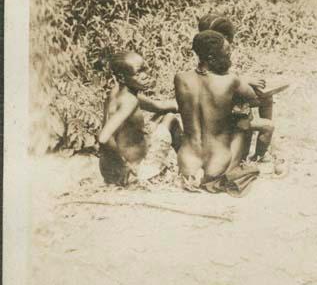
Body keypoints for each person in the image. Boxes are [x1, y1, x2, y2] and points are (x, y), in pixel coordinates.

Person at [174, 30, 269, 194]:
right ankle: (257, 157)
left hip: (187, 165)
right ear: (211, 58)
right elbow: (255, 99)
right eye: (227, 54)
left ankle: (196, 179)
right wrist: (242, 81)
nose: (230, 59)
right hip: (217, 164)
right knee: (242, 122)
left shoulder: (180, 78)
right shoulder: (230, 80)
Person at [197, 11, 274, 162]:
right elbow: (220, 82)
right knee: (266, 117)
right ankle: (261, 155)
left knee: (265, 98)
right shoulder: (212, 58)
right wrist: (244, 84)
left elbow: (224, 78)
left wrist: (244, 82)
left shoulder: (207, 55)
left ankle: (259, 149)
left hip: (222, 103)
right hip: (222, 113)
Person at [98, 51, 181, 186]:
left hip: (109, 171)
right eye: (138, 72)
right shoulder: (129, 101)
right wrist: (124, 167)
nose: (146, 76)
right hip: (137, 171)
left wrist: (188, 102)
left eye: (145, 69)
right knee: (170, 118)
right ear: (122, 77)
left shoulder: (118, 93)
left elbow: (159, 106)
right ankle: (187, 169)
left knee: (163, 114)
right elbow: (103, 138)